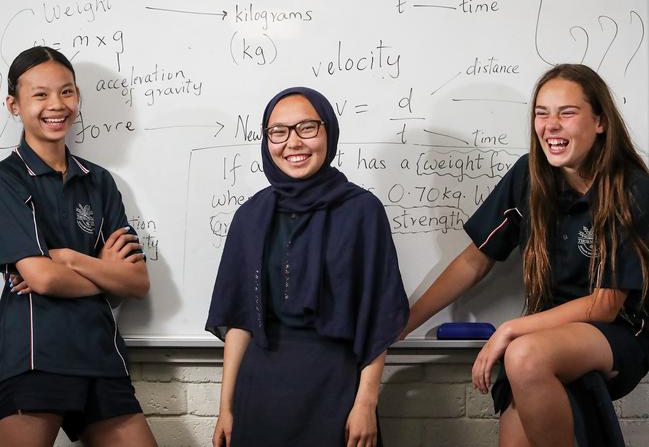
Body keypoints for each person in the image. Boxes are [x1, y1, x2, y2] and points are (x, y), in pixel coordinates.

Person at [401, 64, 649, 446]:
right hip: (546, 334)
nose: (551, 125)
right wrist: (401, 325)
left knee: (522, 355)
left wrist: (511, 329)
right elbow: (475, 259)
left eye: (567, 113)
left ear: (600, 122)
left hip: (617, 332)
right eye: (541, 113)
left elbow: (604, 307)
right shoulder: (528, 176)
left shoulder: (631, 187)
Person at [206, 87, 409, 447]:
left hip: (336, 387)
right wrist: (226, 408)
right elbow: (238, 322)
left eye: (307, 128)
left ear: (328, 132)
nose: (293, 143)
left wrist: (366, 401)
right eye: (279, 132)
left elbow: (379, 315)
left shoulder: (362, 211)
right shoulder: (250, 216)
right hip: (260, 391)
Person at [0, 46, 157, 447]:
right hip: (35, 357)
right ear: (13, 105)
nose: (57, 105)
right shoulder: (7, 179)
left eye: (67, 92)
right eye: (40, 94)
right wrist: (105, 273)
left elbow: (137, 282)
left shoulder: (100, 181)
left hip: (101, 355)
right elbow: (42, 278)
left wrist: (69, 258)